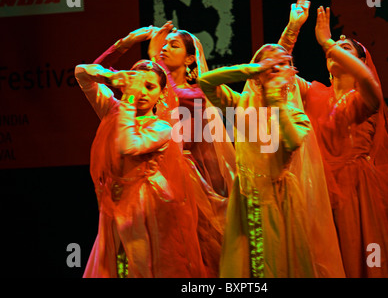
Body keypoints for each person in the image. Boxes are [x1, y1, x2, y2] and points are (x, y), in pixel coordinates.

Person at [278, 2, 388, 277]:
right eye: (332, 50)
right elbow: (274, 69)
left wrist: (328, 42)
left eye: (346, 49)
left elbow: (370, 83)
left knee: (357, 262)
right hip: (317, 192)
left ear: (361, 63)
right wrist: (293, 28)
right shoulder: (313, 92)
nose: (334, 51)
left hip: (356, 194)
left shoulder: (364, 99)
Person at [92, 24, 235, 277]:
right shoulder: (149, 83)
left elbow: (173, 96)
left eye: (173, 45)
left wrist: (153, 54)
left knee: (194, 254)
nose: (165, 48)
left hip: (187, 182)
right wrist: (125, 42)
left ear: (191, 59)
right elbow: (97, 72)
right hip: (144, 180)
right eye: (164, 44)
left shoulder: (198, 91)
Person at [197, 42, 345, 278]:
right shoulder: (240, 103)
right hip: (244, 199)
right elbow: (206, 82)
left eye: (282, 63)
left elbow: (292, 142)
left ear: (291, 74)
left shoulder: (295, 114)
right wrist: (249, 69)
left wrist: (277, 103)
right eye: (268, 62)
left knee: (275, 264)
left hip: (276, 199)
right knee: (243, 265)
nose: (274, 67)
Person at [75, 60, 207, 278]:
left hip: (146, 208)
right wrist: (111, 78)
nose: (142, 92)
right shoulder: (114, 111)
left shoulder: (162, 128)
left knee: (142, 266)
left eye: (150, 87)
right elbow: (81, 73)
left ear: (162, 93)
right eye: (138, 85)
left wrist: (127, 98)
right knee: (114, 265)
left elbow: (129, 145)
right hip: (113, 204)